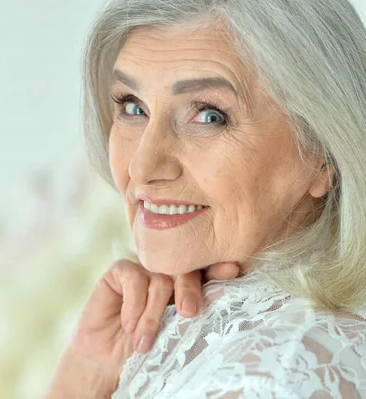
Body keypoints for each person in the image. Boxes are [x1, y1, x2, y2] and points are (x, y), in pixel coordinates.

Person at [46, 0, 366, 397]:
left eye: (209, 116)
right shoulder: (230, 337)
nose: (143, 166)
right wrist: (87, 373)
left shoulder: (273, 374)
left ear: (322, 151)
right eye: (132, 106)